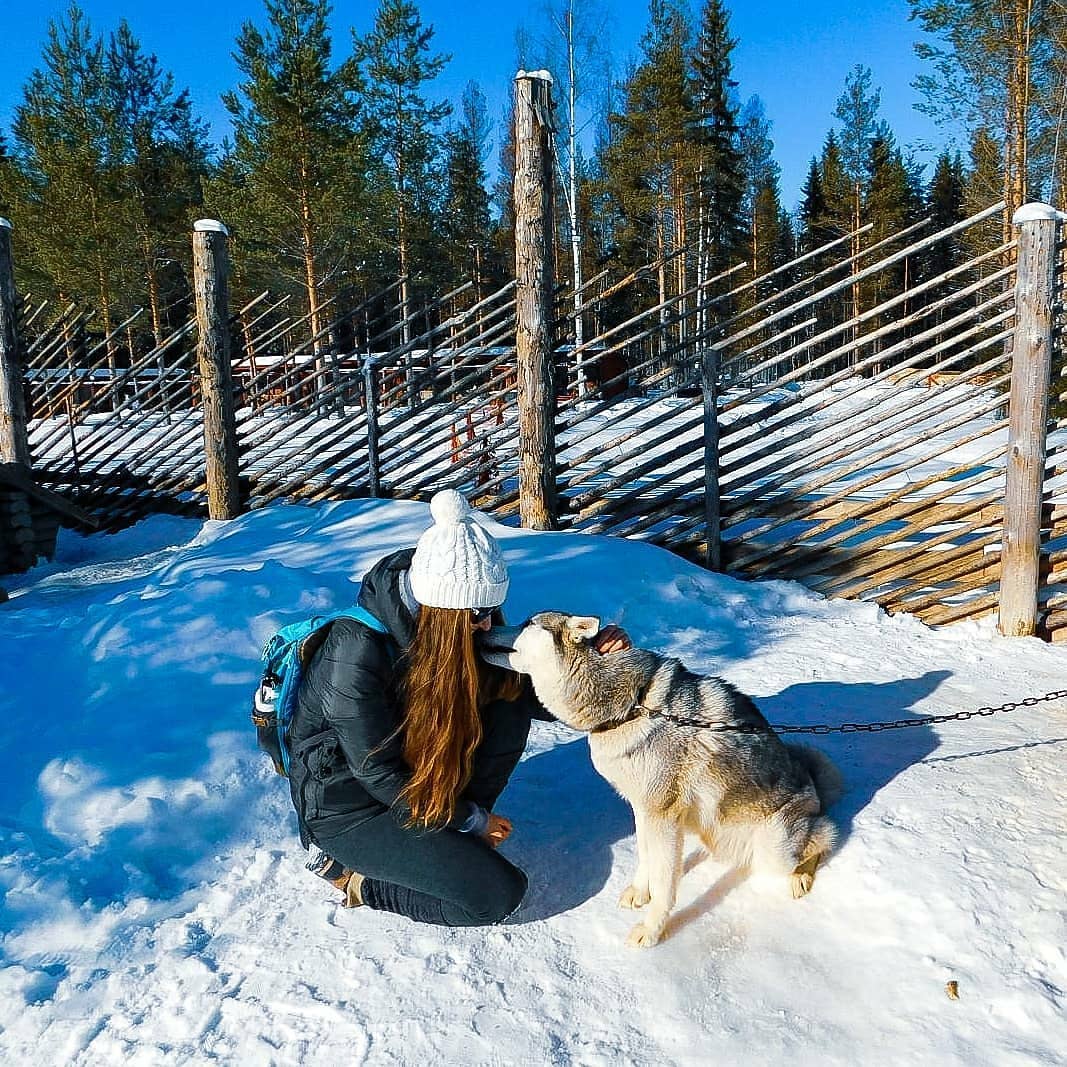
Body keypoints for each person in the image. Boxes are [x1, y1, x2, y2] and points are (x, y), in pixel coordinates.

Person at [287, 489, 628, 926]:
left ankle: (444, 840)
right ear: (440, 607)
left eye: (492, 607)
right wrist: (471, 820)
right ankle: (355, 880)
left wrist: (595, 663)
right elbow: (379, 774)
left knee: (508, 699)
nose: (487, 622)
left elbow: (536, 697)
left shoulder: (457, 629)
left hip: (414, 783)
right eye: (477, 611)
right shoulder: (355, 652)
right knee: (493, 896)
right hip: (351, 807)